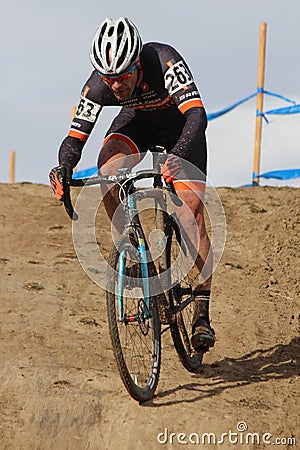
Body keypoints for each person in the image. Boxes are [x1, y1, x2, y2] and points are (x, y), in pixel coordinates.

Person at [49, 17, 215, 352]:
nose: (116, 85)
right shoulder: (99, 85)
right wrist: (64, 166)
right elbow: (75, 136)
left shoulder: (164, 60)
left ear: (137, 64)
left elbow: (198, 116)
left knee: (188, 215)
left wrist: (177, 155)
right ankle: (136, 250)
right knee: (107, 169)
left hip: (183, 131)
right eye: (109, 79)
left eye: (123, 76)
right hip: (139, 123)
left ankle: (201, 310)